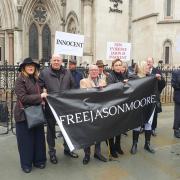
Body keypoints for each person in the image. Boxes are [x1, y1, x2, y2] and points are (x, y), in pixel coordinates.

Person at [39, 54, 78, 164]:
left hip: (65, 107)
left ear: (62, 62)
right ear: (51, 61)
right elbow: (39, 86)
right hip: (50, 107)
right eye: (54, 60)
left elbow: (73, 87)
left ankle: (68, 149)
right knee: (51, 131)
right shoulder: (44, 73)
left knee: (67, 129)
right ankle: (52, 153)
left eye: (58, 60)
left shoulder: (67, 72)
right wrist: (43, 91)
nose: (56, 62)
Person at [14, 57, 47, 173]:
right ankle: (26, 164)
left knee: (38, 139)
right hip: (23, 115)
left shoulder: (37, 80)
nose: (30, 67)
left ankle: (39, 161)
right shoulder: (20, 80)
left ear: (35, 68)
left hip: (37, 113)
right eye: (28, 65)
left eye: (32, 65)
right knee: (25, 141)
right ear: (23, 68)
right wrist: (40, 97)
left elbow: (44, 92)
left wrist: (45, 94)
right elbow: (23, 98)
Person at [80, 64, 107, 165]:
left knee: (99, 132)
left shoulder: (103, 81)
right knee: (88, 134)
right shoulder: (83, 81)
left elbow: (106, 96)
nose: (94, 72)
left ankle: (97, 152)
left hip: (99, 111)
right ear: (89, 71)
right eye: (92, 70)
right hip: (88, 111)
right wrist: (97, 89)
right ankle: (87, 154)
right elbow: (84, 96)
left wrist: (102, 90)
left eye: (96, 70)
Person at [130, 61, 155, 155]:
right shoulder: (133, 78)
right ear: (141, 67)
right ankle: (134, 144)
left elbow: (160, 86)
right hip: (138, 105)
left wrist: (160, 79)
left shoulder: (151, 77)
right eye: (146, 66)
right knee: (137, 124)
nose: (149, 67)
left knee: (148, 123)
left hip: (149, 104)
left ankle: (147, 144)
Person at [107, 59, 124, 158]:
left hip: (121, 106)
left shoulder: (122, 75)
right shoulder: (110, 76)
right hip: (112, 106)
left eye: (119, 65)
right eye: (116, 65)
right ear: (113, 67)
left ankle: (118, 145)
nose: (118, 67)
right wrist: (122, 84)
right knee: (112, 128)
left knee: (120, 127)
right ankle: (112, 148)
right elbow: (111, 90)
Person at [147, 57, 165, 136]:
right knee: (146, 112)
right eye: (147, 61)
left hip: (154, 95)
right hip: (145, 96)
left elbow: (162, 84)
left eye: (150, 62)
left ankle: (153, 128)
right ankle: (144, 127)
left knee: (154, 113)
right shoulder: (144, 71)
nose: (148, 63)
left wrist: (160, 79)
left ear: (153, 63)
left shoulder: (157, 71)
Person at [171, 69, 180, 138]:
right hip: (178, 96)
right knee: (178, 114)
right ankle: (176, 130)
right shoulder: (176, 72)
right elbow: (173, 84)